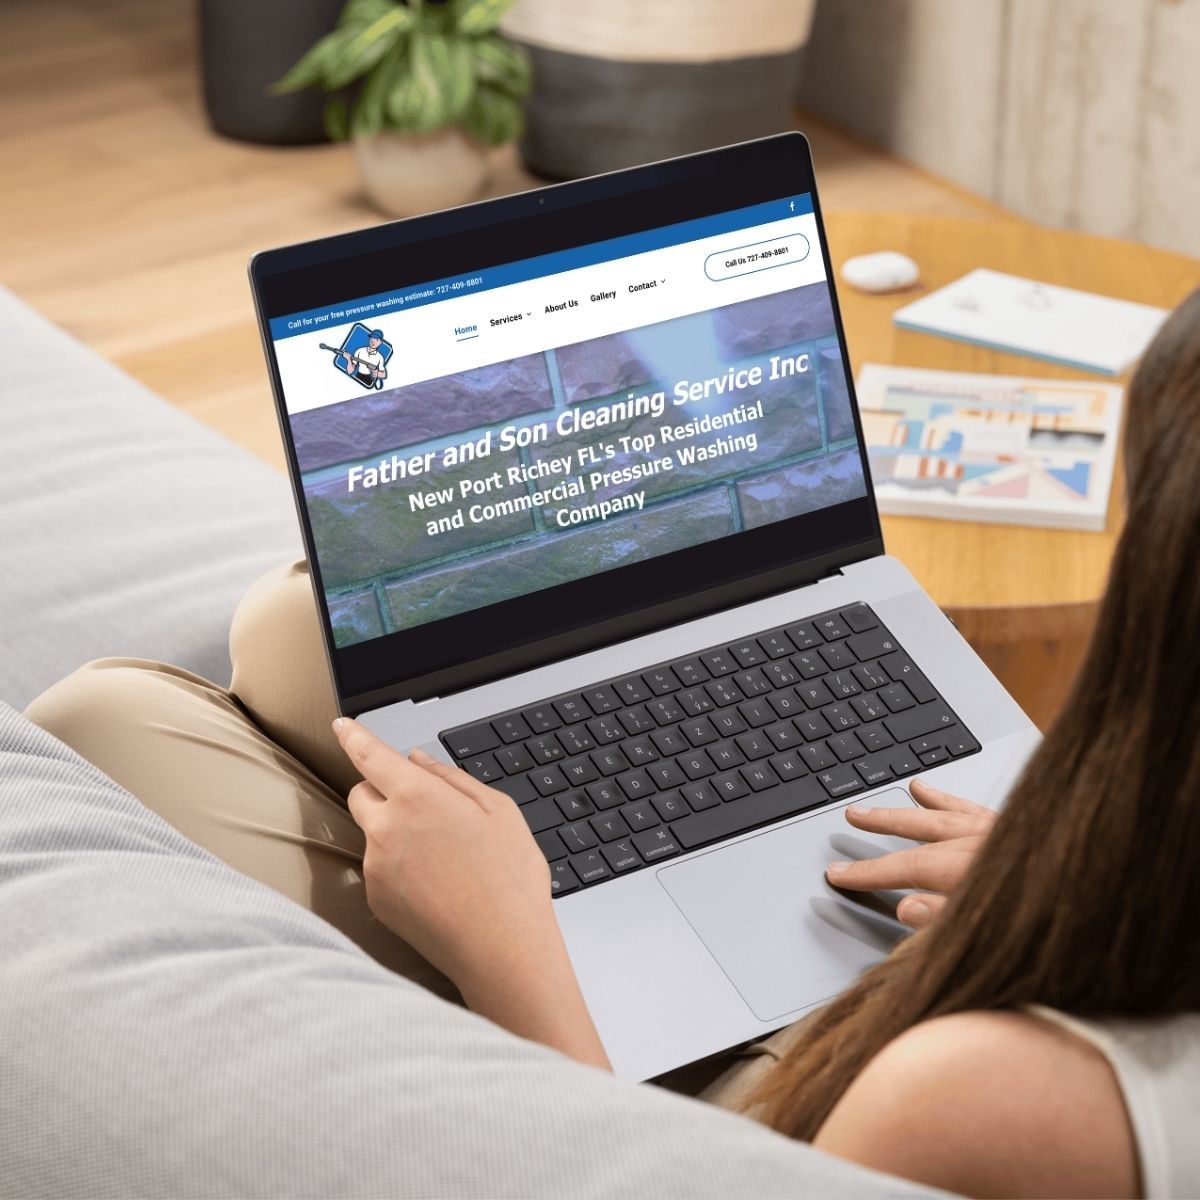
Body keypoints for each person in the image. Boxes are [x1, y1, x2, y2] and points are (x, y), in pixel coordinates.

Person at [27, 288, 1200, 1197]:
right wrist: (1053, 881)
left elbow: (636, 1173)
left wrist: (510, 952)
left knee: (104, 721)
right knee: (298, 633)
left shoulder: (999, 1105)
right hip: (925, 976)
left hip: (734, 1090)